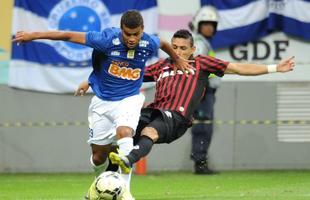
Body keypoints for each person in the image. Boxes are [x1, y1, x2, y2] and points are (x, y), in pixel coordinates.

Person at [13, 10, 192, 200]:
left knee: (125, 133)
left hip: (129, 99)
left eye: (136, 34)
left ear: (142, 30)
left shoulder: (148, 41)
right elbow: (68, 35)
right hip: (102, 102)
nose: (132, 39)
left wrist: (177, 58)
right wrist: (34, 35)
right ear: (121, 29)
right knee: (99, 156)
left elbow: (163, 42)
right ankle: (99, 186)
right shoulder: (106, 40)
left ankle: (125, 193)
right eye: (127, 34)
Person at [77, 29, 295, 182]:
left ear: (192, 49)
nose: (178, 52)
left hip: (177, 118)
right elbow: (125, 74)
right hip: (154, 110)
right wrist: (91, 80)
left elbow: (238, 68)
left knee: (150, 132)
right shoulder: (161, 66)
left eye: (183, 48)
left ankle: (129, 159)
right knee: (121, 139)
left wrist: (275, 68)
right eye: (174, 47)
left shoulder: (202, 64)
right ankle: (107, 184)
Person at [188, 5, 221, 174]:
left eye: (212, 24)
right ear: (199, 25)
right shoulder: (200, 44)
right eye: (205, 24)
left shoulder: (203, 43)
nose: (209, 27)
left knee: (204, 126)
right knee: (203, 127)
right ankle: (200, 164)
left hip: (205, 93)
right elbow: (198, 69)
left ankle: (201, 162)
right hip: (203, 93)